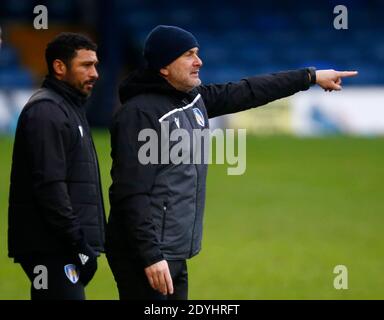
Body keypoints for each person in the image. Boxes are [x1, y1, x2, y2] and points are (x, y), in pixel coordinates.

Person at [106, 25, 358, 300]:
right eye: (188, 54)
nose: (199, 61)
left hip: (172, 252)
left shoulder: (193, 100)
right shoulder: (139, 114)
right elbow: (130, 193)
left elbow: (249, 90)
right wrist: (150, 256)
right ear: (164, 66)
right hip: (146, 256)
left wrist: (310, 76)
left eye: (198, 53)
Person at [8, 32, 106, 300]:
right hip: (51, 247)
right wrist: (78, 243)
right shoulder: (46, 112)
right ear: (59, 67)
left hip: (59, 245)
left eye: (95, 64)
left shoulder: (67, 107)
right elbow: (50, 186)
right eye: (86, 65)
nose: (95, 73)